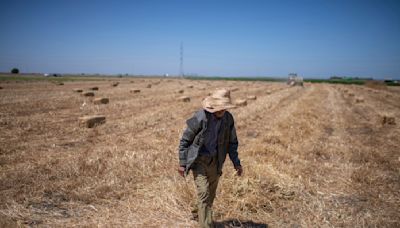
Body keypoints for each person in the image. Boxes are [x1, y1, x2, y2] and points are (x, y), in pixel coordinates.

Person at [178, 88, 243, 228]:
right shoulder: (200, 117)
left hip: (216, 161)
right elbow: (185, 140)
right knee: (204, 193)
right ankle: (206, 224)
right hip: (199, 161)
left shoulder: (228, 119)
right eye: (219, 108)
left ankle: (197, 213)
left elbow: (232, 143)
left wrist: (236, 163)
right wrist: (182, 163)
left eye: (224, 108)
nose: (221, 111)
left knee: (210, 195)